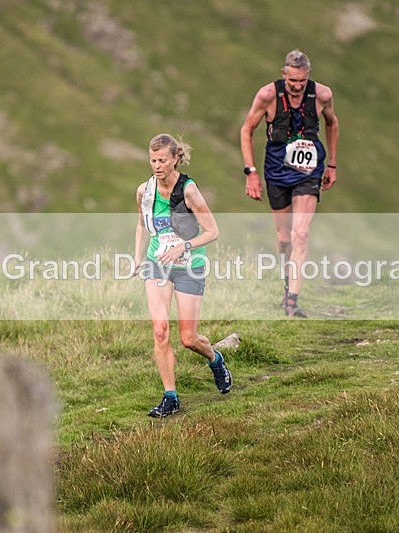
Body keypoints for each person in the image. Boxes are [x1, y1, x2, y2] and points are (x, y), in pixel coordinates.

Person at [134, 133, 232, 418]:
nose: (157, 165)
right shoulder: (144, 191)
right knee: (160, 330)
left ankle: (215, 359)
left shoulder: (188, 190)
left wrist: (183, 246)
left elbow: (212, 232)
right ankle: (170, 396)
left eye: (162, 160)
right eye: (153, 160)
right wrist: (137, 256)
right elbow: (141, 224)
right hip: (157, 264)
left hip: (189, 264)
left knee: (188, 339)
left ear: (176, 158)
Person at [240, 49, 339, 318]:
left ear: (308, 77)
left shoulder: (322, 95)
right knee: (284, 239)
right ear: (284, 74)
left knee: (301, 234)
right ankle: (286, 289)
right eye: (292, 81)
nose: (296, 87)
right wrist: (251, 172)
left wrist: (331, 164)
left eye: (302, 82)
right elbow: (246, 130)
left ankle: (293, 302)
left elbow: (332, 123)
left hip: (309, 172)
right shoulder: (267, 95)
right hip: (276, 171)